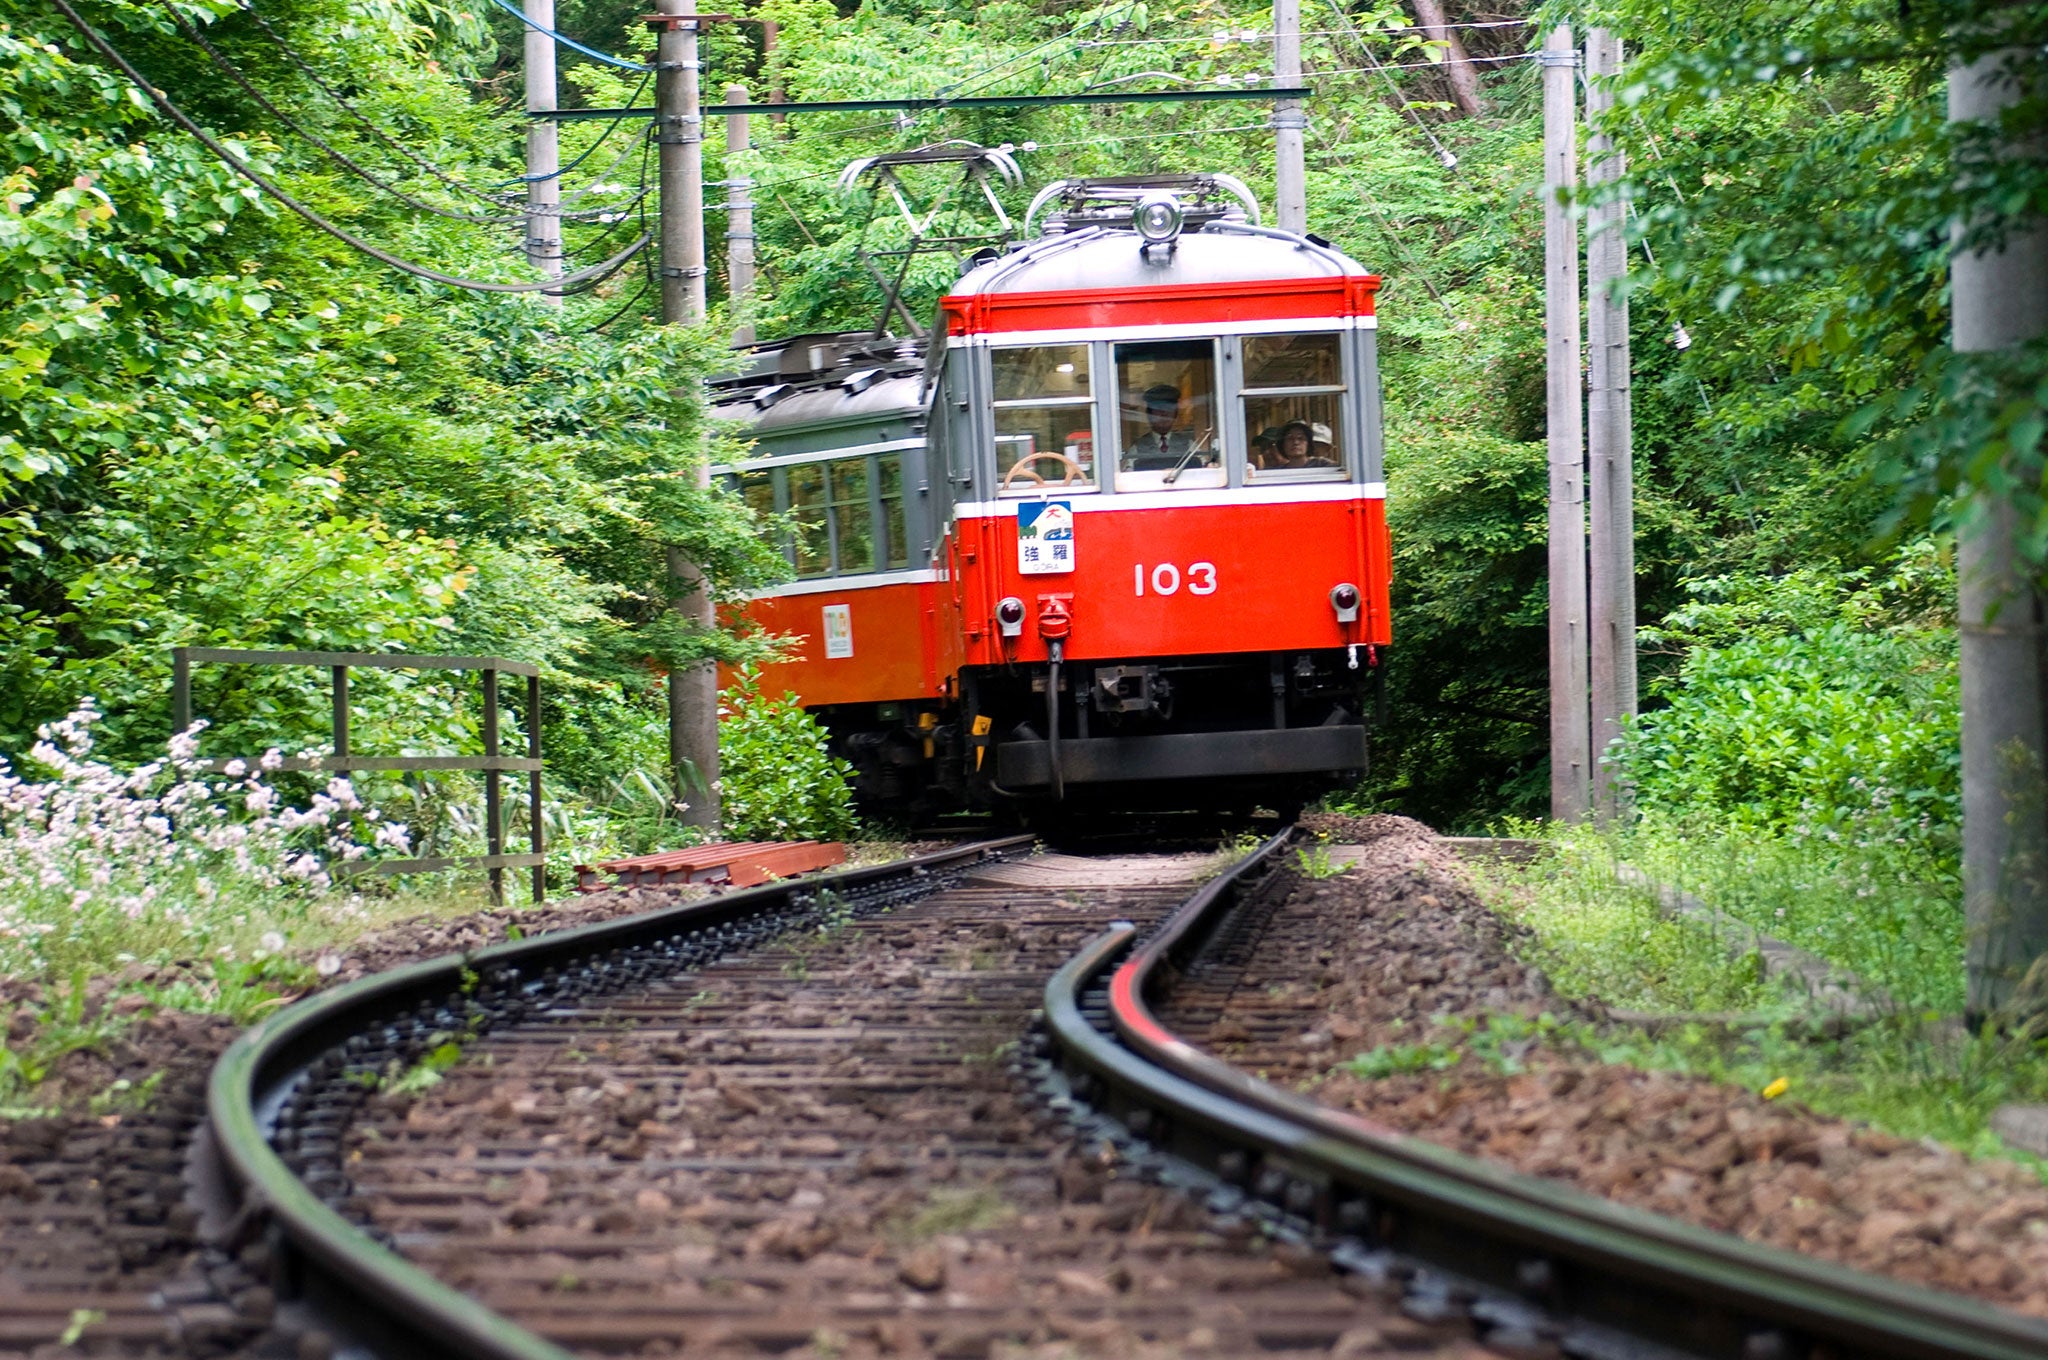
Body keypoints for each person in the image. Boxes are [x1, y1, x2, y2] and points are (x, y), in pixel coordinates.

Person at [1125, 382, 1210, 470]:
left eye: (1168, 409)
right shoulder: (1138, 447)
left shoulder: (1188, 444)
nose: (1164, 414)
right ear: (1149, 414)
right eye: (1159, 409)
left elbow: (1204, 468)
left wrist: (1210, 466)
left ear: (1175, 414)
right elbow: (1128, 474)